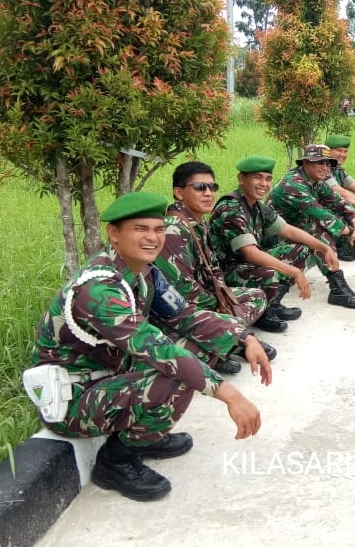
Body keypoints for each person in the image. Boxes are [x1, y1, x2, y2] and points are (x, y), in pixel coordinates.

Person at [26, 191, 270, 502]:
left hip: (107, 378)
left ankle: (144, 436)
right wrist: (230, 395)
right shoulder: (99, 288)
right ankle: (115, 461)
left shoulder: (144, 272)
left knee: (195, 350)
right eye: (140, 229)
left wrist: (243, 337)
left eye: (158, 229)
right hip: (72, 400)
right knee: (173, 371)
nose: (153, 238)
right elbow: (157, 348)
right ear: (114, 234)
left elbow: (184, 315)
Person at [155, 162, 284, 361]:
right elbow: (183, 290)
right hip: (179, 309)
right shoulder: (174, 229)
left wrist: (225, 300)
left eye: (212, 187)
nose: (208, 193)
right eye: (200, 188)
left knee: (256, 296)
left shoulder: (198, 220)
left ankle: (227, 336)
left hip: (205, 297)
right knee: (188, 346)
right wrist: (217, 305)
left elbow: (213, 269)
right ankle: (230, 339)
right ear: (179, 193)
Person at [269, 144, 355, 308]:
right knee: (320, 227)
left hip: (297, 230)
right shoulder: (293, 184)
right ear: (305, 163)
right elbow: (320, 215)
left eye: (327, 163)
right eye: (319, 163)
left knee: (339, 220)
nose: (325, 167)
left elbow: (341, 204)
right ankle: (337, 288)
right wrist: (351, 232)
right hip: (275, 240)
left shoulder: (317, 182)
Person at [209, 156, 341, 316]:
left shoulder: (257, 205)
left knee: (301, 250)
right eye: (257, 178)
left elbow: (287, 229)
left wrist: (325, 248)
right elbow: (250, 254)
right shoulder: (231, 208)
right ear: (241, 179)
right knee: (270, 273)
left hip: (243, 265)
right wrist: (295, 272)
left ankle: (273, 303)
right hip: (225, 272)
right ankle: (264, 312)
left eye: (268, 179)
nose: (264, 184)